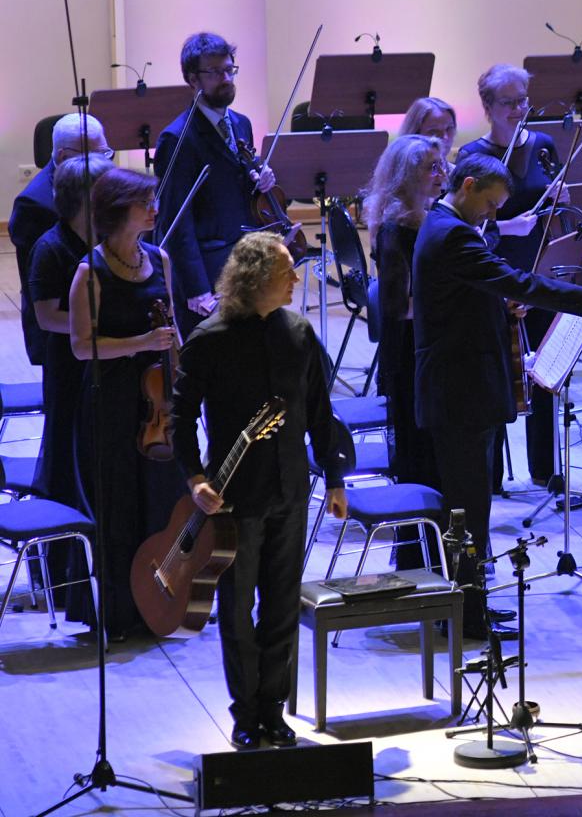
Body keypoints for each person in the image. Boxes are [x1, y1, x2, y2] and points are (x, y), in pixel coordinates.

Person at [413, 152, 582, 638]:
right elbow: (516, 280)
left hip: (461, 389)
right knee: (467, 512)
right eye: (491, 203)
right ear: (468, 186)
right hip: (459, 393)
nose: (493, 214)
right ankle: (466, 617)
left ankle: (471, 606)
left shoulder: (445, 225)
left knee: (472, 508)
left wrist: (499, 306)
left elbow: (474, 294)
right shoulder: (451, 233)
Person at [173, 232, 350, 750]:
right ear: (255, 278)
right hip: (234, 499)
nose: (296, 278)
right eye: (286, 270)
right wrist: (195, 478)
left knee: (281, 606)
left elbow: (319, 411)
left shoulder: (298, 333)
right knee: (236, 611)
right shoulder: (210, 339)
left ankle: (274, 709)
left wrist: (334, 478)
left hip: (289, 491)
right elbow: (180, 418)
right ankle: (245, 713)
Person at [66, 168, 190, 640]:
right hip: (112, 403)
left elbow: (172, 329)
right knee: (118, 504)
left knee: (162, 501)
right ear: (119, 211)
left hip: (158, 401)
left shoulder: (160, 258)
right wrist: (140, 342)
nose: (155, 210)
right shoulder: (89, 272)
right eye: (146, 203)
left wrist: (183, 375)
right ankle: (121, 613)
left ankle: (164, 606)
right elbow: (82, 345)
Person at [456, 64, 569, 490]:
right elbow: (464, 225)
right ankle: (491, 476)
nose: (520, 109)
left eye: (524, 100)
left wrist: (560, 200)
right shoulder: (473, 157)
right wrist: (506, 227)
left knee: (545, 372)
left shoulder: (543, 145)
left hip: (540, 270)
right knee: (495, 375)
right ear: (488, 107)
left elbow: (557, 210)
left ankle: (544, 469)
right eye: (509, 102)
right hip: (494, 274)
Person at [27, 153, 112, 606]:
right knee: (67, 462)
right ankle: (63, 576)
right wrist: (99, 326)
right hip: (67, 370)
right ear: (86, 199)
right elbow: (46, 317)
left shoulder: (106, 243)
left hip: (102, 365)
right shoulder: (51, 248)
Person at [155, 32, 279, 333]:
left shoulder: (241, 123)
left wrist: (261, 178)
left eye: (229, 69)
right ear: (192, 79)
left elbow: (237, 186)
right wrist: (195, 286)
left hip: (244, 258)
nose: (226, 79)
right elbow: (175, 220)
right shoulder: (177, 138)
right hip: (207, 268)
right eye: (214, 72)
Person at [363, 134, 448, 569]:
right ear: (406, 175)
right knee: (421, 461)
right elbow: (400, 307)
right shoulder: (396, 229)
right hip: (411, 359)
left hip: (428, 353)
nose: (441, 173)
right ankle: (419, 564)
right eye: (431, 167)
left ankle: (443, 558)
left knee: (439, 460)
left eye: (441, 164)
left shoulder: (431, 218)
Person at [11, 113, 113, 368]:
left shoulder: (97, 183)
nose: (104, 162)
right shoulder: (34, 205)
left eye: (106, 153)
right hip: (62, 329)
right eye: (96, 155)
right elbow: (43, 285)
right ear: (64, 156)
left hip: (99, 316)